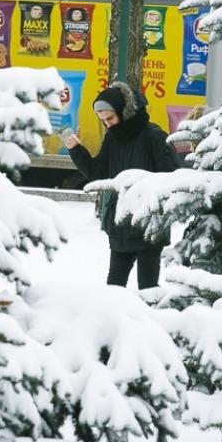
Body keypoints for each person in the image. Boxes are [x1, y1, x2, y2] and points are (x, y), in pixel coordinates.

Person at [65, 82, 181, 289]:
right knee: (114, 286)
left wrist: (153, 205)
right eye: (103, 121)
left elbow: (171, 177)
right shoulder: (113, 137)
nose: (107, 124)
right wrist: (77, 150)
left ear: (124, 111)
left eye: (110, 118)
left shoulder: (153, 135)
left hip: (149, 223)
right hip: (121, 223)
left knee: (147, 287)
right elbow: (98, 173)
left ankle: (147, 320)